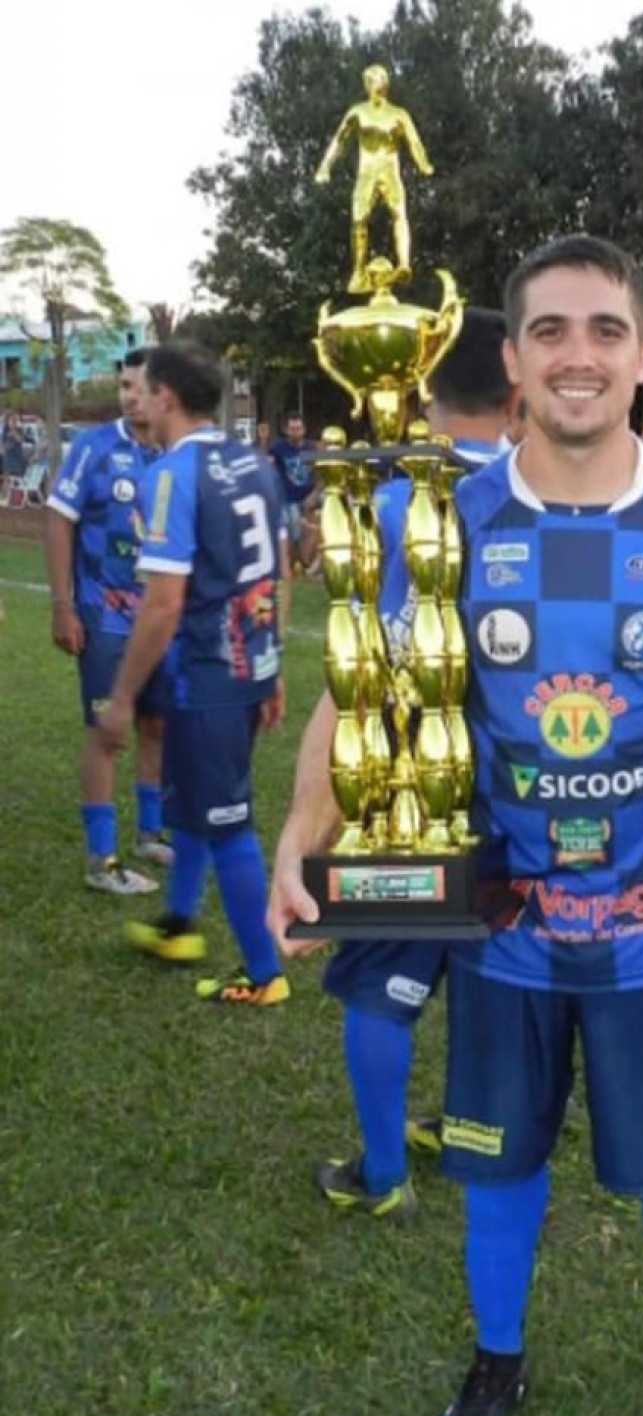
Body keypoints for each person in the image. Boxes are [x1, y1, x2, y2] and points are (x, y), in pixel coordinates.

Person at [271, 236, 643, 1416]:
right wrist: (302, 838)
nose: (579, 355)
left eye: (605, 331)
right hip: (506, 923)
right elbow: (360, 690)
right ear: (512, 358)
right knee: (495, 1164)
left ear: (641, 355)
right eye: (552, 331)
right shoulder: (449, 518)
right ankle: (497, 1360)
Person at [270, 308, 513, 1217]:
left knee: (383, 980)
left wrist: (309, 823)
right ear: (519, 382)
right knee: (498, 972)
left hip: (408, 788)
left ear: (423, 383)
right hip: (520, 798)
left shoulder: (401, 496)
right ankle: (471, 1125)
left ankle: (381, 1175)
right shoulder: (543, 494)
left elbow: (362, 668)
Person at [95, 342, 290, 1007]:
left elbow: (164, 602)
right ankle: (180, 924)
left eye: (140, 389)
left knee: (228, 820)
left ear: (166, 398)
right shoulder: (252, 462)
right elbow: (275, 569)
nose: (133, 399)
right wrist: (272, 667)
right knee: (198, 806)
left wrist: (122, 696)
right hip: (244, 663)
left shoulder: (173, 474)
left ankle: (264, 974)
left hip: (207, 670)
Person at [44, 349, 170, 894]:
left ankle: (149, 834)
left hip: (160, 621)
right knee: (106, 731)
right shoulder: (94, 448)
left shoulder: (172, 454)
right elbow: (57, 520)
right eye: (123, 385)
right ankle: (102, 860)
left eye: (138, 386)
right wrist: (63, 605)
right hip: (104, 619)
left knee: (157, 725)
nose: (128, 395)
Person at [315, 63, 433, 292]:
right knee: (359, 219)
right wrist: (325, 166)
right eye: (367, 82)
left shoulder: (399, 114)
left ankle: (404, 264)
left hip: (389, 171)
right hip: (367, 172)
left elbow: (414, 142)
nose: (369, 86)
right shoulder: (358, 112)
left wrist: (423, 164)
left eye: (373, 80)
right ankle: (359, 271)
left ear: (384, 83)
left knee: (399, 213)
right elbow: (340, 140)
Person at [269, 412, 317, 573]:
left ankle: (308, 562)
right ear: (286, 430)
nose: (295, 431)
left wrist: (315, 494)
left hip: (310, 495)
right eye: (292, 428)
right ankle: (294, 563)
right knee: (293, 529)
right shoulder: (278, 449)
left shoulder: (313, 449)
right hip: (288, 498)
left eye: (298, 428)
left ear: (304, 429)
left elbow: (323, 474)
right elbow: (268, 469)